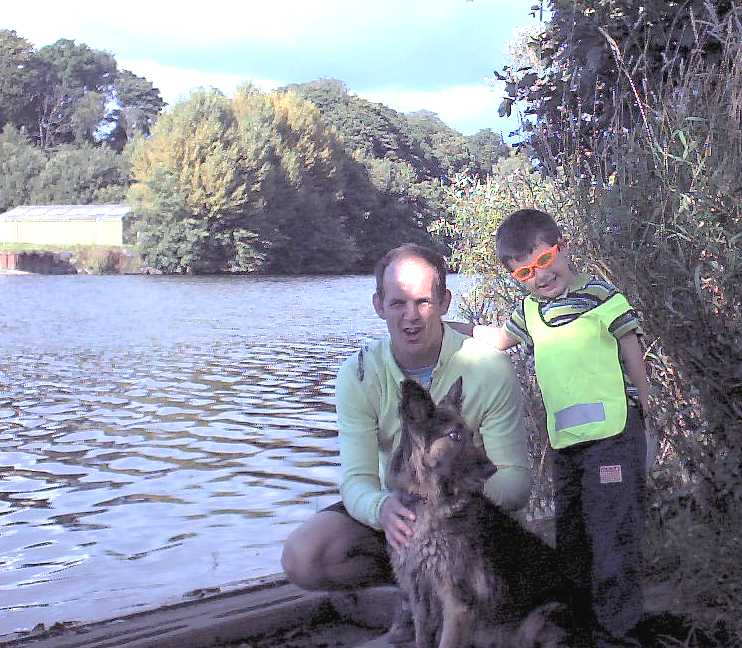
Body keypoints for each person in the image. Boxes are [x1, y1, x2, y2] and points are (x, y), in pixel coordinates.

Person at [281, 243, 530, 640]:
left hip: (468, 514)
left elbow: (516, 481)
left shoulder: (488, 368)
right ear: (378, 305)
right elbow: (356, 479)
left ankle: (452, 600)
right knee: (303, 557)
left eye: (423, 302)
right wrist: (380, 508)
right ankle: (412, 596)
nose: (410, 317)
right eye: (397, 304)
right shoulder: (360, 375)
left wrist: (452, 501)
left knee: (460, 550)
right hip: (398, 508)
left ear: (445, 302)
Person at [452, 209, 649, 648]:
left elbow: (630, 345)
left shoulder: (599, 294)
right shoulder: (531, 313)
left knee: (613, 533)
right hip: (567, 446)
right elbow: (495, 339)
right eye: (525, 272)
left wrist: (645, 396)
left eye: (544, 260)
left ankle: (620, 632)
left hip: (613, 437)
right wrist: (447, 327)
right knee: (573, 535)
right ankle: (579, 626)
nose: (539, 276)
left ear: (561, 246)